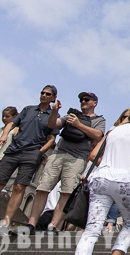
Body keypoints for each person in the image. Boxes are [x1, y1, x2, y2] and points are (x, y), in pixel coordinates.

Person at [72, 102, 130, 255]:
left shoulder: (113, 130)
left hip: (100, 180)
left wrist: (106, 164)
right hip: (125, 181)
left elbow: (94, 154)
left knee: (91, 229)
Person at [0, 85, 59, 236]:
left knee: (19, 187)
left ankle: (5, 225)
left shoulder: (53, 116)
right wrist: (4, 135)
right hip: (13, 151)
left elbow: (52, 139)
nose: (43, 95)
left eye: (47, 94)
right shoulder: (28, 109)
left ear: (53, 98)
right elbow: (12, 123)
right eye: (42, 92)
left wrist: (39, 152)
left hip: (32, 153)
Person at [29, 92, 107, 232]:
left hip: (77, 158)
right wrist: (54, 111)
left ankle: (53, 226)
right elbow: (53, 124)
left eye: (86, 99)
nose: (83, 101)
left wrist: (78, 125)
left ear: (94, 103)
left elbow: (98, 135)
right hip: (58, 153)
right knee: (43, 188)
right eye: (81, 99)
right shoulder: (71, 114)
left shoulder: (99, 120)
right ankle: (31, 224)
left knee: (66, 192)